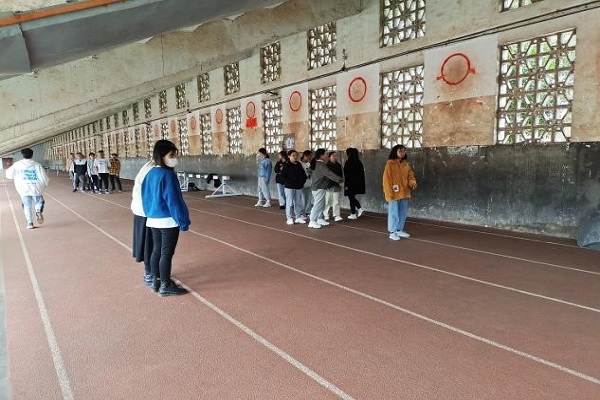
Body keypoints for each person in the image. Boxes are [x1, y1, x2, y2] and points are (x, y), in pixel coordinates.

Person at [142, 140, 190, 296]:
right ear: (161, 156)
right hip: (168, 221)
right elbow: (174, 201)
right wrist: (183, 221)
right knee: (166, 253)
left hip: (152, 219)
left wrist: (149, 213)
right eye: (171, 155)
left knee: (157, 250)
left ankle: (156, 281)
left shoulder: (150, 173)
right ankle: (165, 284)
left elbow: (145, 197)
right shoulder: (168, 175)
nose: (174, 159)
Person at [5, 148, 49, 229]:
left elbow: (9, 175)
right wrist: (45, 184)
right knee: (39, 202)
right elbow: (44, 177)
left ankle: (30, 223)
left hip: (23, 189)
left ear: (22, 155)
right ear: (32, 155)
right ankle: (38, 211)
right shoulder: (37, 165)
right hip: (35, 188)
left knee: (26, 206)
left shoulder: (17, 164)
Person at [383, 144, 417, 241]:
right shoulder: (390, 164)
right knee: (394, 213)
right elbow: (386, 180)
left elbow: (410, 176)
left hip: (404, 192)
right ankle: (392, 232)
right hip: (394, 194)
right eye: (400, 151)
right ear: (395, 152)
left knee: (402, 212)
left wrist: (412, 183)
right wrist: (389, 193)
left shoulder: (406, 164)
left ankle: (399, 230)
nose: (402, 153)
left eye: (404, 151)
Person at [131, 159, 155, 290]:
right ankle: (149, 272)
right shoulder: (153, 169)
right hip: (146, 211)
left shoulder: (150, 166)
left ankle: (152, 272)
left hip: (145, 210)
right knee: (149, 243)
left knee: (151, 243)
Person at [308, 148, 343, 229]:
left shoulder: (316, 163)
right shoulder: (320, 164)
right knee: (318, 204)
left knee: (322, 204)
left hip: (319, 187)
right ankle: (312, 221)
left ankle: (319, 218)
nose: (327, 155)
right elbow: (329, 173)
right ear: (321, 155)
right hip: (319, 187)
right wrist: (340, 180)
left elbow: (309, 171)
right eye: (325, 154)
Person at [280, 149, 307, 225]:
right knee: (289, 203)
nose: (295, 157)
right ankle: (289, 218)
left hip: (298, 187)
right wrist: (289, 182)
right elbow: (282, 176)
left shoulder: (298, 164)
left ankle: (298, 217)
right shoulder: (286, 165)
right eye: (293, 155)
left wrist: (301, 183)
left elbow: (303, 175)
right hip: (289, 187)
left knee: (298, 203)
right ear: (289, 156)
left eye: (296, 155)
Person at [343, 147, 366, 220]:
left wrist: (346, 185)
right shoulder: (359, 162)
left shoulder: (348, 162)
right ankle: (355, 211)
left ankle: (355, 212)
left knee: (351, 197)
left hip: (350, 184)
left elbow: (346, 174)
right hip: (358, 184)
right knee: (352, 197)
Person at [323, 151, 343, 222]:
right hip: (329, 185)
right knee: (327, 201)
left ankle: (336, 215)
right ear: (329, 157)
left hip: (336, 185)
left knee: (336, 201)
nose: (335, 157)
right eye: (333, 156)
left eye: (336, 156)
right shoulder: (326, 165)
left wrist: (341, 182)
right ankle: (326, 214)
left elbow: (341, 175)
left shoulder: (339, 165)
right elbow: (326, 176)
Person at [300, 150, 313, 218]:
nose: (310, 157)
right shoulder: (300, 163)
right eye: (309, 156)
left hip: (309, 183)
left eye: (311, 156)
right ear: (305, 156)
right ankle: (301, 213)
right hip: (302, 183)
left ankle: (308, 211)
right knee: (303, 198)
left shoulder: (309, 164)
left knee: (309, 198)